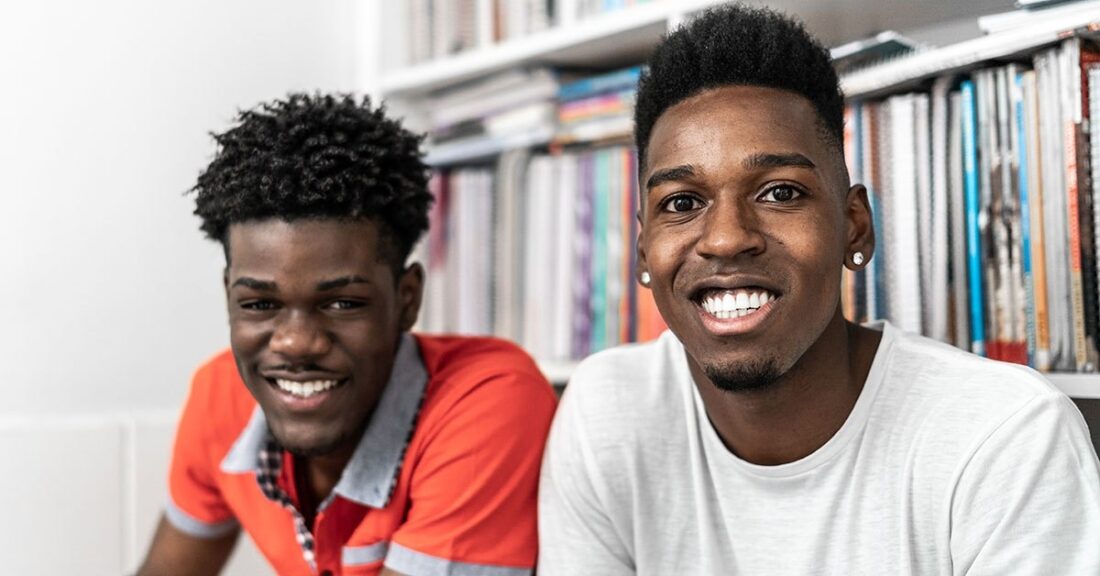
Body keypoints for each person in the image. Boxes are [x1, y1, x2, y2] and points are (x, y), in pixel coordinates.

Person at [538, 4, 1100, 574]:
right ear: (642, 252)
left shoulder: (1005, 437)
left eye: (780, 193)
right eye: (682, 203)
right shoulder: (606, 414)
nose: (728, 238)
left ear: (855, 226)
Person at [138, 94, 556, 576]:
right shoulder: (219, 396)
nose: (296, 343)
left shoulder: (490, 400)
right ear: (228, 295)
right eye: (259, 304)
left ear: (406, 300)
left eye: (342, 304)